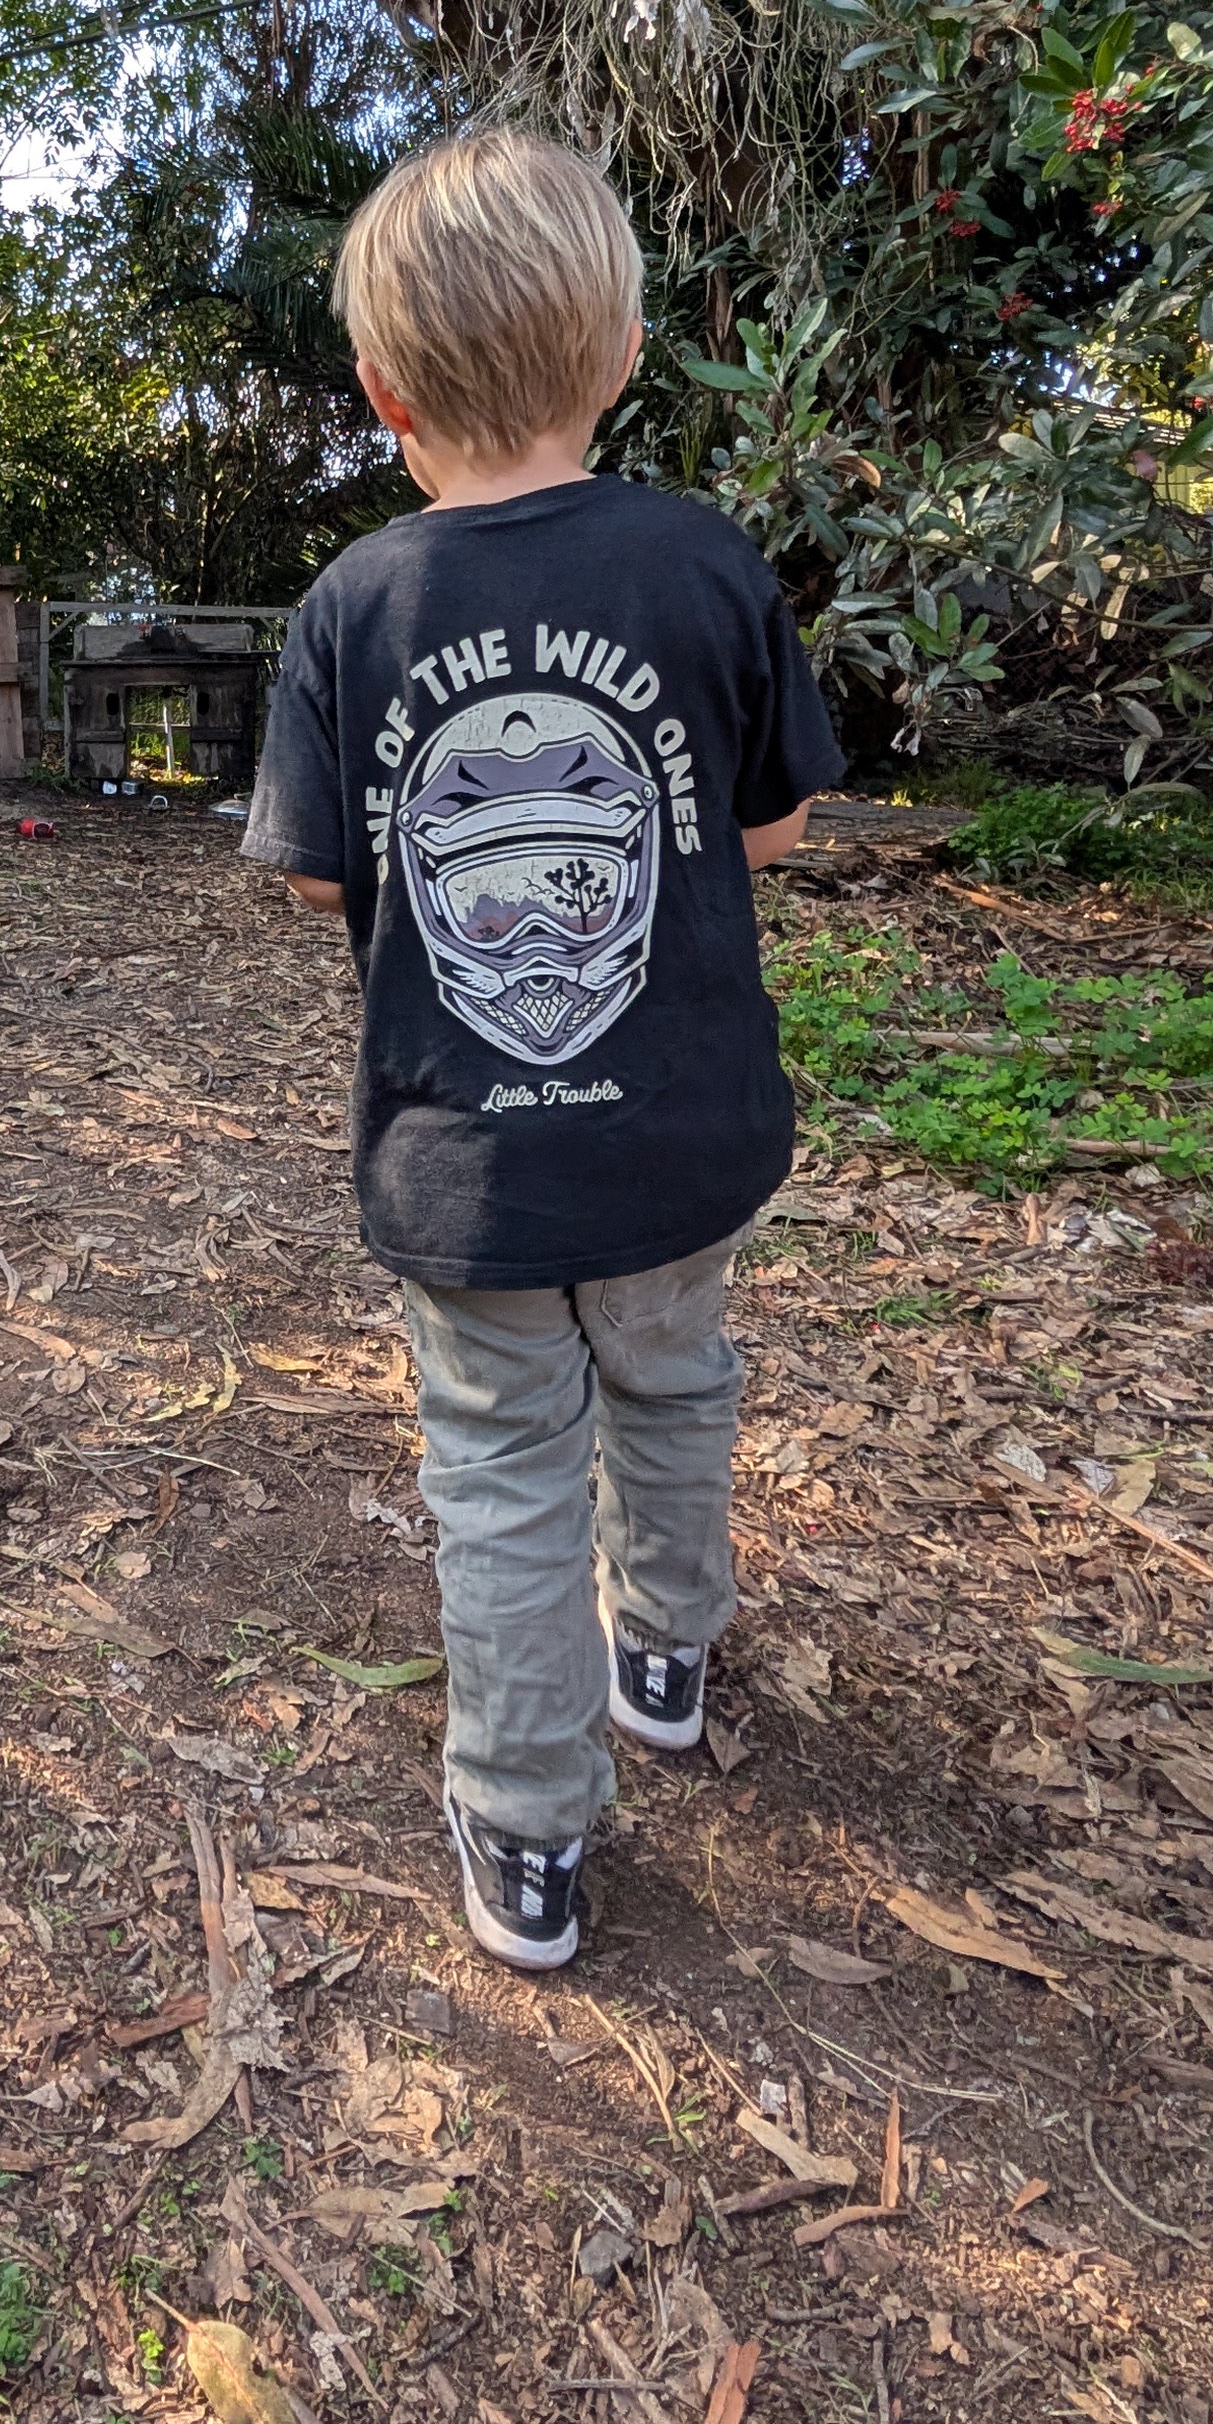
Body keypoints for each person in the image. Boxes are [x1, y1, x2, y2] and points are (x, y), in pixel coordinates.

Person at [239, 123, 841, 1971]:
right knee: (674, 1383)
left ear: (381, 393)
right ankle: (665, 1646)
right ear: (627, 353)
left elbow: (326, 881)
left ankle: (528, 1826)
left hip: (465, 1161)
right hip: (683, 1137)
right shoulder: (705, 560)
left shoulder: (357, 606)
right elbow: (766, 830)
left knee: (501, 1466)